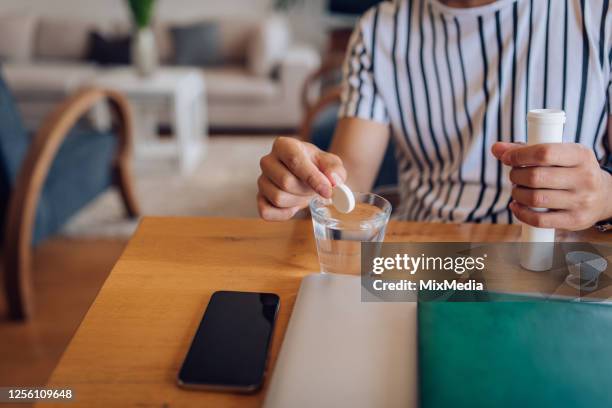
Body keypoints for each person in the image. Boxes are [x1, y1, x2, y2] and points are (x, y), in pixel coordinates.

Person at [257, 0, 612, 231]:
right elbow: (348, 192)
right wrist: (310, 186)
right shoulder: (381, 31)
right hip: (430, 265)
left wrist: (605, 196)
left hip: (565, 273)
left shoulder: (600, 16)